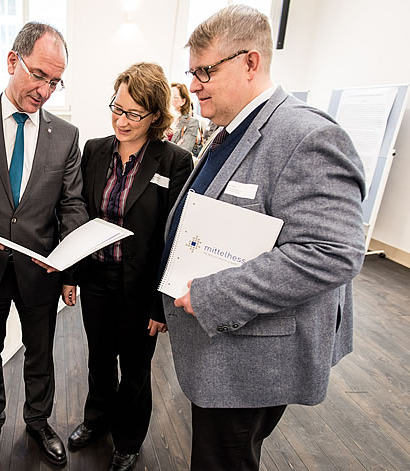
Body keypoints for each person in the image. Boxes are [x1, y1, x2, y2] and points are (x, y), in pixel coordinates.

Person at [160, 5, 366, 471]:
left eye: (205, 71)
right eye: (191, 72)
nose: (193, 85)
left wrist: (215, 294)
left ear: (250, 62)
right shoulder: (230, 130)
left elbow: (333, 251)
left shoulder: (307, 135)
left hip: (249, 357)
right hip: (223, 346)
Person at [0, 22, 88, 470]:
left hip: (38, 269)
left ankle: (38, 422)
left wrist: (66, 259)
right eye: (39, 75)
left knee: (41, 354)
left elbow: (73, 204)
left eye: (55, 81)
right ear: (12, 61)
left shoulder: (65, 136)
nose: (45, 90)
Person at [64, 63, 192, 471]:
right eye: (116, 109)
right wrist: (70, 273)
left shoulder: (174, 162)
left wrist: (162, 304)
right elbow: (78, 214)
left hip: (141, 286)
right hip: (98, 277)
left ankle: (129, 439)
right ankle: (97, 420)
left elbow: (174, 238)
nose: (121, 120)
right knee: (99, 358)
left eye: (133, 113)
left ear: (155, 115)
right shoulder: (95, 150)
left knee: (135, 368)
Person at [166, 82, 200, 155]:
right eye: (169, 96)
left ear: (183, 101)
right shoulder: (162, 119)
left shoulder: (191, 122)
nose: (170, 100)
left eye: (174, 97)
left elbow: (183, 151)